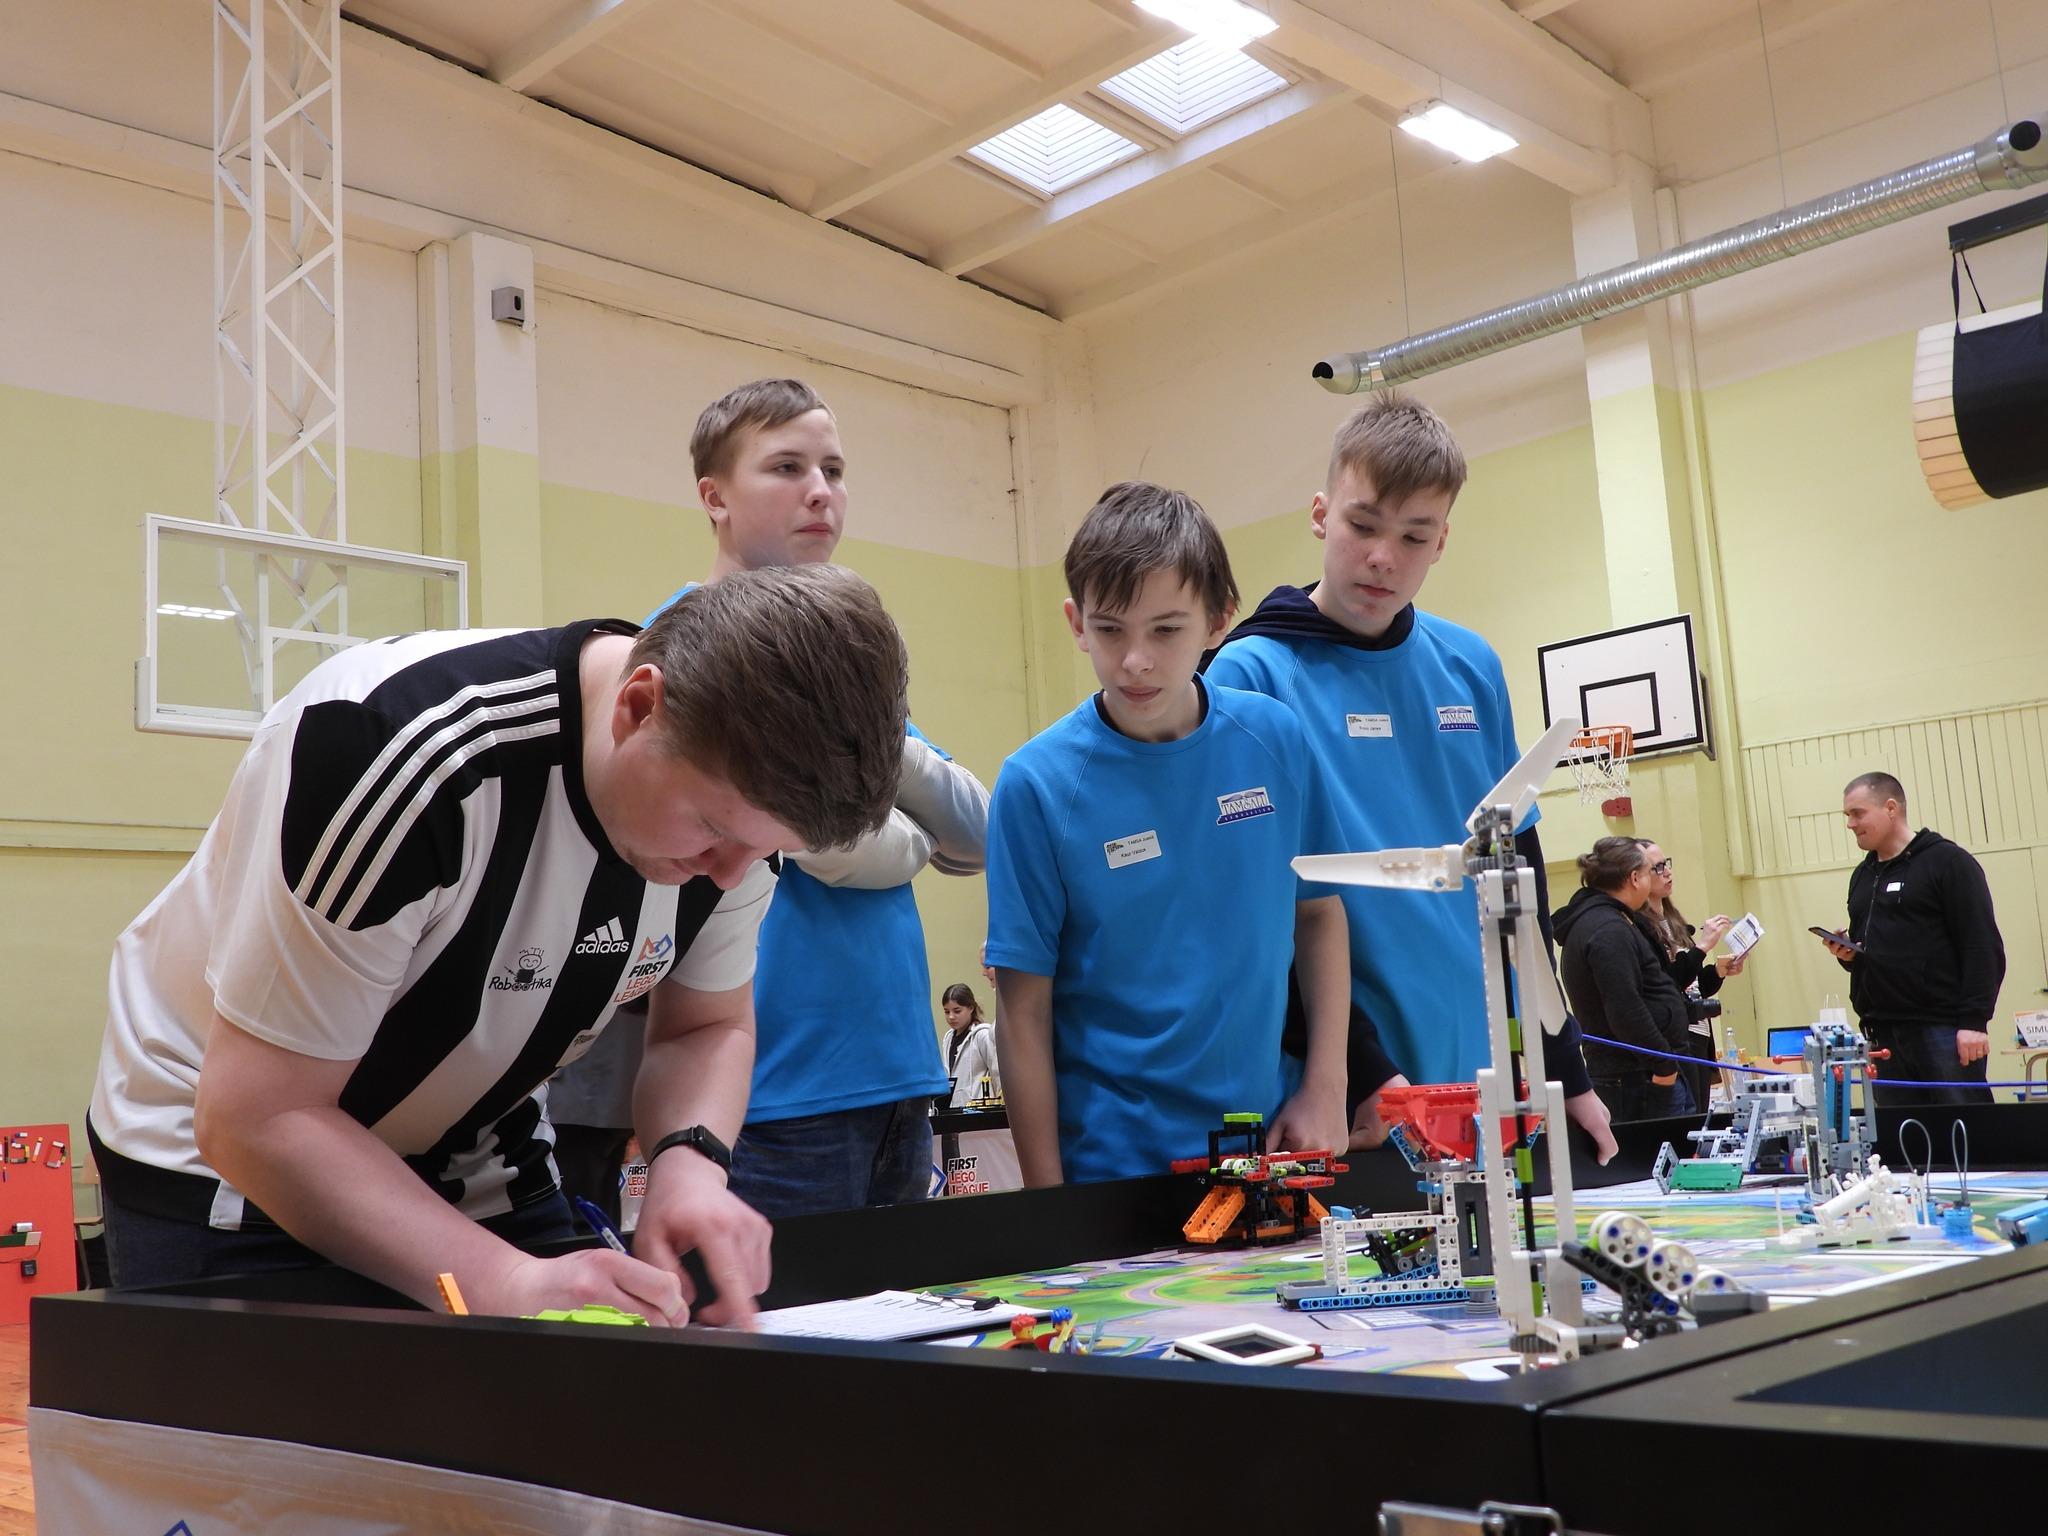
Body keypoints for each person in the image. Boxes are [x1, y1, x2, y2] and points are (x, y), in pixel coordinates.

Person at [87, 566, 910, 1325]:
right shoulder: (396, 747)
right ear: (638, 706)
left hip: (478, 1149)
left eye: (765, 850)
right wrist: (507, 1280)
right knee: (284, 1442)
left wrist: (689, 1166)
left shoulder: (735, 821)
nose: (730, 876)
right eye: (713, 829)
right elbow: (255, 1114)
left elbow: (707, 1025)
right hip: (229, 1165)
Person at [1204, 393, 1612, 1160]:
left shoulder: (1471, 666)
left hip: (1481, 1079)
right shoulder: (1248, 676)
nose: (1383, 557)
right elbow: (1245, 910)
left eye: (1414, 536)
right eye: (1363, 525)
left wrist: (1565, 1066)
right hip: (1349, 1097)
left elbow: (1517, 878)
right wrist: (1359, 1070)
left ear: (1442, 542)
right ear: (1320, 514)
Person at [641, 377, 990, 1218]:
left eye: (833, 469)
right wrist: (901, 827)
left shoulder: (845, 657)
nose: (820, 491)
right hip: (768, 1090)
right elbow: (834, 842)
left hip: (901, 1076)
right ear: (714, 497)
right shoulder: (681, 646)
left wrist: (882, 742)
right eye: (787, 467)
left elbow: (977, 835)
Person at [984, 482, 1351, 1186]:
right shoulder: (1036, 785)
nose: (1135, 660)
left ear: (1218, 620)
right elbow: (1022, 1009)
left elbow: (1320, 913)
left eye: (1165, 630)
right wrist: (1046, 1202)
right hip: (1112, 1167)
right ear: (1076, 622)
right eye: (1110, 629)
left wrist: (1326, 1084)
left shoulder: (1274, 737)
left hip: (1268, 1145)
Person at [1823, 772, 2002, 1105]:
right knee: (1899, 1134)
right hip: (1881, 1035)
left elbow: (1982, 946)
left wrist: (1974, 1021)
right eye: (1847, 815)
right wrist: (1850, 955)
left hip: (1942, 1032)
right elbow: (1873, 951)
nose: (1850, 824)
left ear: (1891, 808)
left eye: (1857, 813)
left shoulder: (1947, 862)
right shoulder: (1862, 875)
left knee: (1965, 1131)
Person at [1554, 836, 1697, 1121]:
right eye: (1649, 871)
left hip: (1639, 1073)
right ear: (1634, 878)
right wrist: (1664, 1067)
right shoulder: (1607, 928)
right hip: (1635, 1078)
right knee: (1654, 1151)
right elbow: (1625, 1009)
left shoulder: (1613, 919)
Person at [1635, 839, 1746, 1107]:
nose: (1667, 872)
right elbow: (1666, 985)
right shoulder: (1642, 928)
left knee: (1701, 1115)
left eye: (1666, 864)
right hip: (1675, 1036)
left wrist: (1717, 972)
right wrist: (1703, 946)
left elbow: (1691, 985)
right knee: (1688, 1118)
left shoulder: (1673, 920)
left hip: (1698, 1034)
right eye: (1657, 867)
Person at [941, 983, 999, 1107]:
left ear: (971, 1008)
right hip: (955, 1110)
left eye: (957, 1011)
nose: (951, 1017)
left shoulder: (982, 1035)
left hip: (980, 1109)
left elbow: (997, 1072)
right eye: (946, 1011)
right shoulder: (948, 1038)